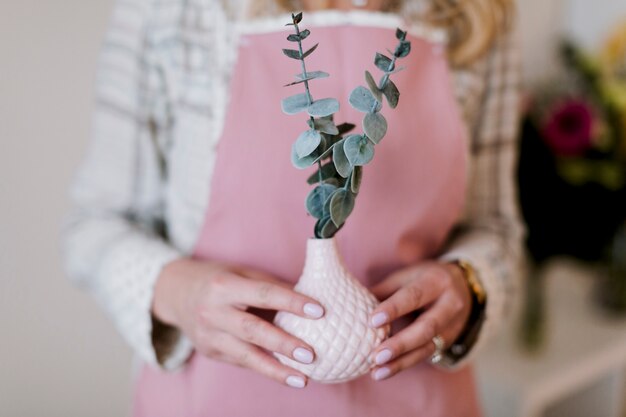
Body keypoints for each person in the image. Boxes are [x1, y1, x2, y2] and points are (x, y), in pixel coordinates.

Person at [62, 0, 524, 415]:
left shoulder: (476, 15)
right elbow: (94, 226)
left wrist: (471, 285)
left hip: (416, 395)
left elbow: (496, 227)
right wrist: (179, 292)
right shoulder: (169, 11)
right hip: (213, 398)